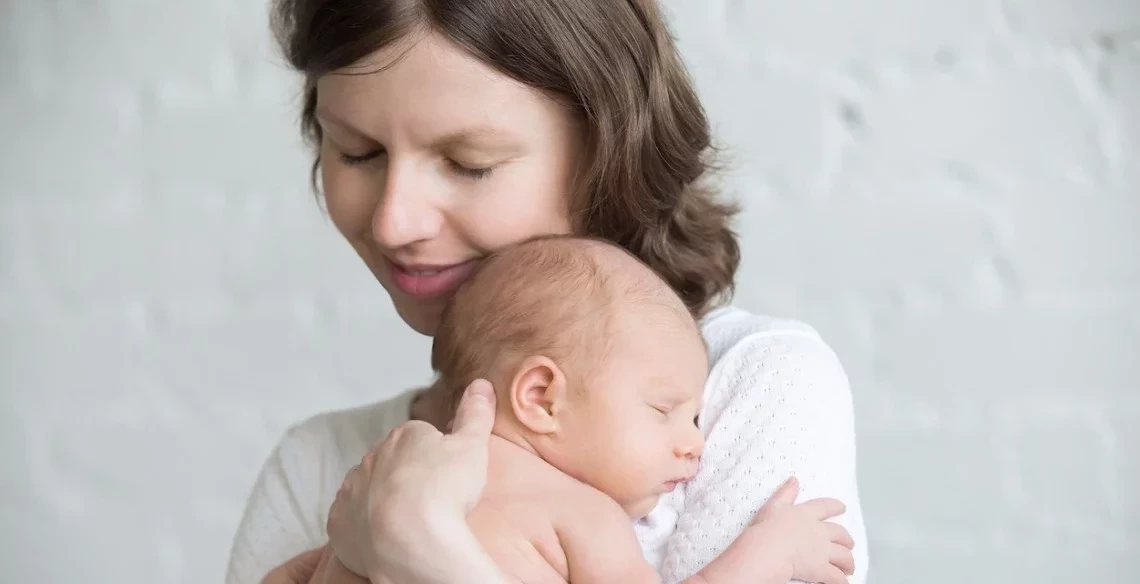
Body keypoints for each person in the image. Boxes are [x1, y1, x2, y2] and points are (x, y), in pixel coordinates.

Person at [225, 0, 869, 583]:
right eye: (359, 151)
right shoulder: (314, 467)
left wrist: (423, 550)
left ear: (606, 150)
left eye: (469, 162)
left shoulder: (757, 387)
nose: (395, 221)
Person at [328, 234, 856, 584]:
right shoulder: (581, 513)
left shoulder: (394, 480)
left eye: (694, 418)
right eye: (663, 409)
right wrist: (772, 549)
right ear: (541, 398)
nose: (694, 442)